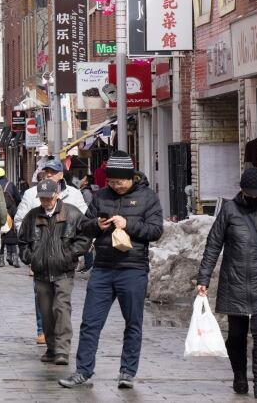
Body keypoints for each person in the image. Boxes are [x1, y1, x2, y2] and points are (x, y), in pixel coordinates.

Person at [59, 151, 163, 390]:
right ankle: (83, 371)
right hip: (103, 267)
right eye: (111, 182)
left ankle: (127, 371)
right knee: (90, 322)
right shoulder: (100, 196)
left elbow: (156, 231)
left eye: (120, 182)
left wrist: (129, 224)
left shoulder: (148, 197)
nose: (115, 186)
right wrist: (96, 224)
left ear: (131, 178)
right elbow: (84, 226)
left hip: (133, 268)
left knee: (133, 323)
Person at [195, 167, 257, 400]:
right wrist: (203, 278)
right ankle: (239, 375)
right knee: (236, 337)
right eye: (251, 193)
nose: (256, 197)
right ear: (242, 190)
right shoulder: (229, 211)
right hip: (234, 282)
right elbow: (213, 246)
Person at [15, 158, 88, 345]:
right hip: (40, 258)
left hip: (63, 261)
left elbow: (84, 225)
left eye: (52, 172)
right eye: (46, 172)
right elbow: (20, 223)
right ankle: (45, 335)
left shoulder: (73, 194)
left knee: (61, 306)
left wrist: (71, 253)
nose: (48, 175)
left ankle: (61, 347)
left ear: (61, 175)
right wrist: (32, 256)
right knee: (44, 302)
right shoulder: (31, 194)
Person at [0, 167, 21, 268]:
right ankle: (14, 258)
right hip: (10, 211)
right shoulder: (10, 184)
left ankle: (1, 260)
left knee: (0, 237)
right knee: (12, 235)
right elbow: (18, 198)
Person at [78, 174, 95, 273]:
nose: (80, 180)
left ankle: (89, 264)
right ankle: (87, 264)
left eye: (83, 178)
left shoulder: (87, 192)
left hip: (85, 220)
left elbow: (89, 206)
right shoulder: (82, 191)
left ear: (86, 182)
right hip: (83, 220)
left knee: (86, 242)